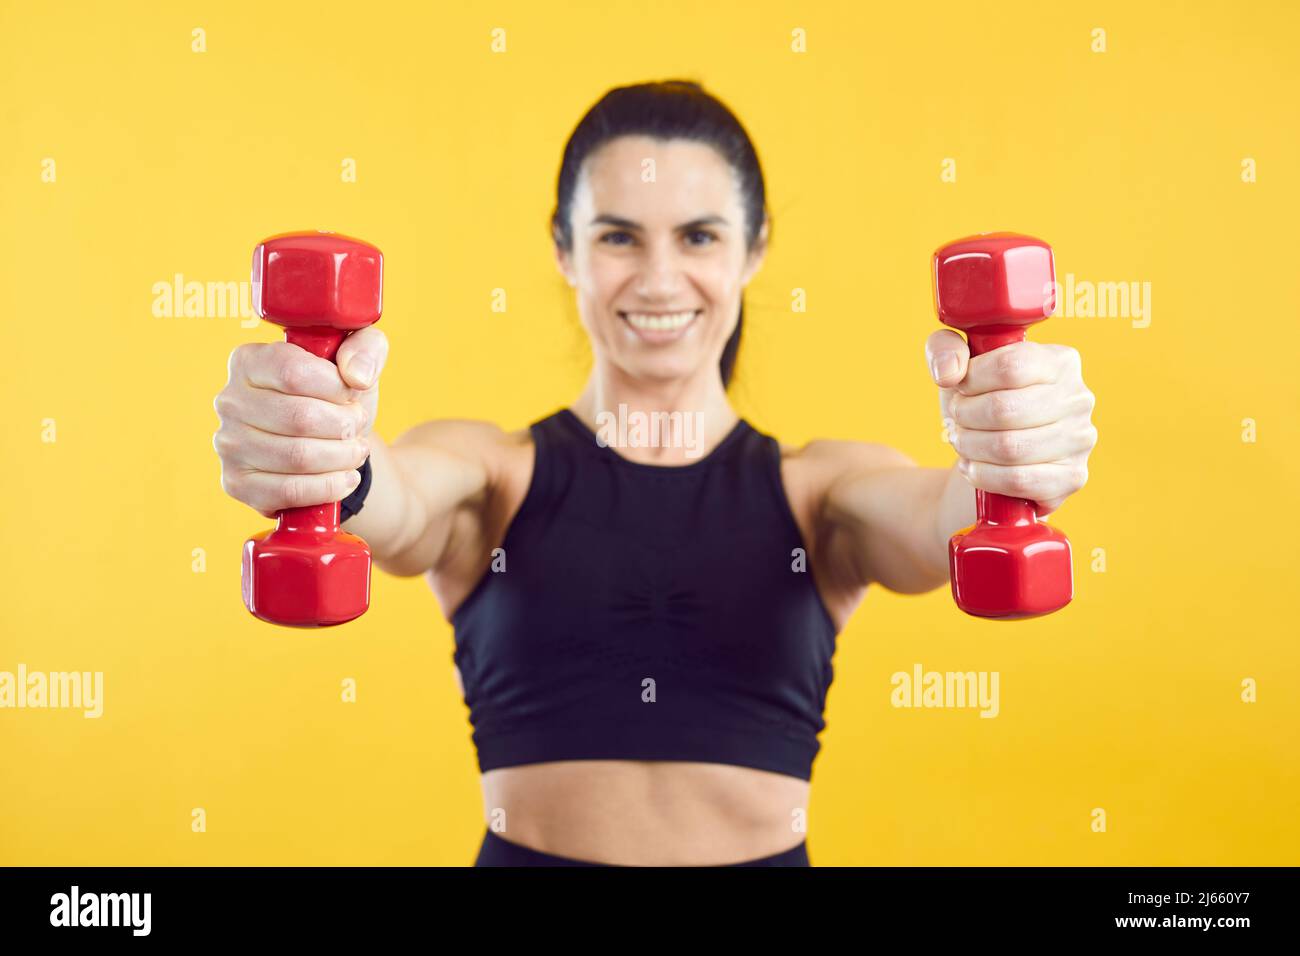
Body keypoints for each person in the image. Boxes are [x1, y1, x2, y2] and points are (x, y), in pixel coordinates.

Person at [212, 80, 1097, 866]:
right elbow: (396, 502)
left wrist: (1008, 453)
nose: (661, 277)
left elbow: (940, 518)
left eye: (700, 236)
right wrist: (326, 451)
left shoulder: (820, 492)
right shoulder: (493, 475)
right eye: (619, 237)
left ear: (753, 251)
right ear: (565, 250)